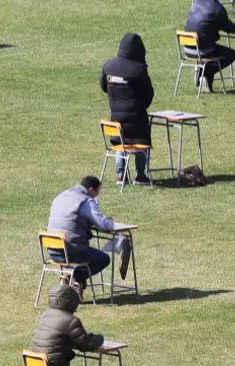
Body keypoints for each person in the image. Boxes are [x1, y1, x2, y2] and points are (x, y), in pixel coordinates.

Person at [47, 176, 131, 290]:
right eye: (97, 192)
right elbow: (102, 224)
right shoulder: (85, 201)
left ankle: (68, 278)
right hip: (71, 251)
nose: (97, 196)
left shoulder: (62, 195)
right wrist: (110, 221)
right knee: (103, 259)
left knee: (90, 254)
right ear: (91, 190)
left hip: (53, 250)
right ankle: (76, 278)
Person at [100, 34, 153, 184]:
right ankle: (140, 175)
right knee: (143, 132)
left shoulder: (108, 66)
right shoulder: (139, 70)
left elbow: (104, 87)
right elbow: (149, 94)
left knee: (120, 141)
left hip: (115, 124)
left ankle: (120, 174)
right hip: (137, 125)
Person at [184, 0, 235, 92]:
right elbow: (229, 28)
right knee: (231, 54)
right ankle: (205, 72)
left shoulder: (195, 4)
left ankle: (204, 73)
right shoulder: (217, 8)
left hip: (188, 49)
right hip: (203, 50)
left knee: (214, 48)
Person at [30, 284, 105, 366]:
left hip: (39, 361)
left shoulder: (45, 315)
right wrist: (98, 339)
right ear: (71, 302)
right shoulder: (71, 321)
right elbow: (86, 344)